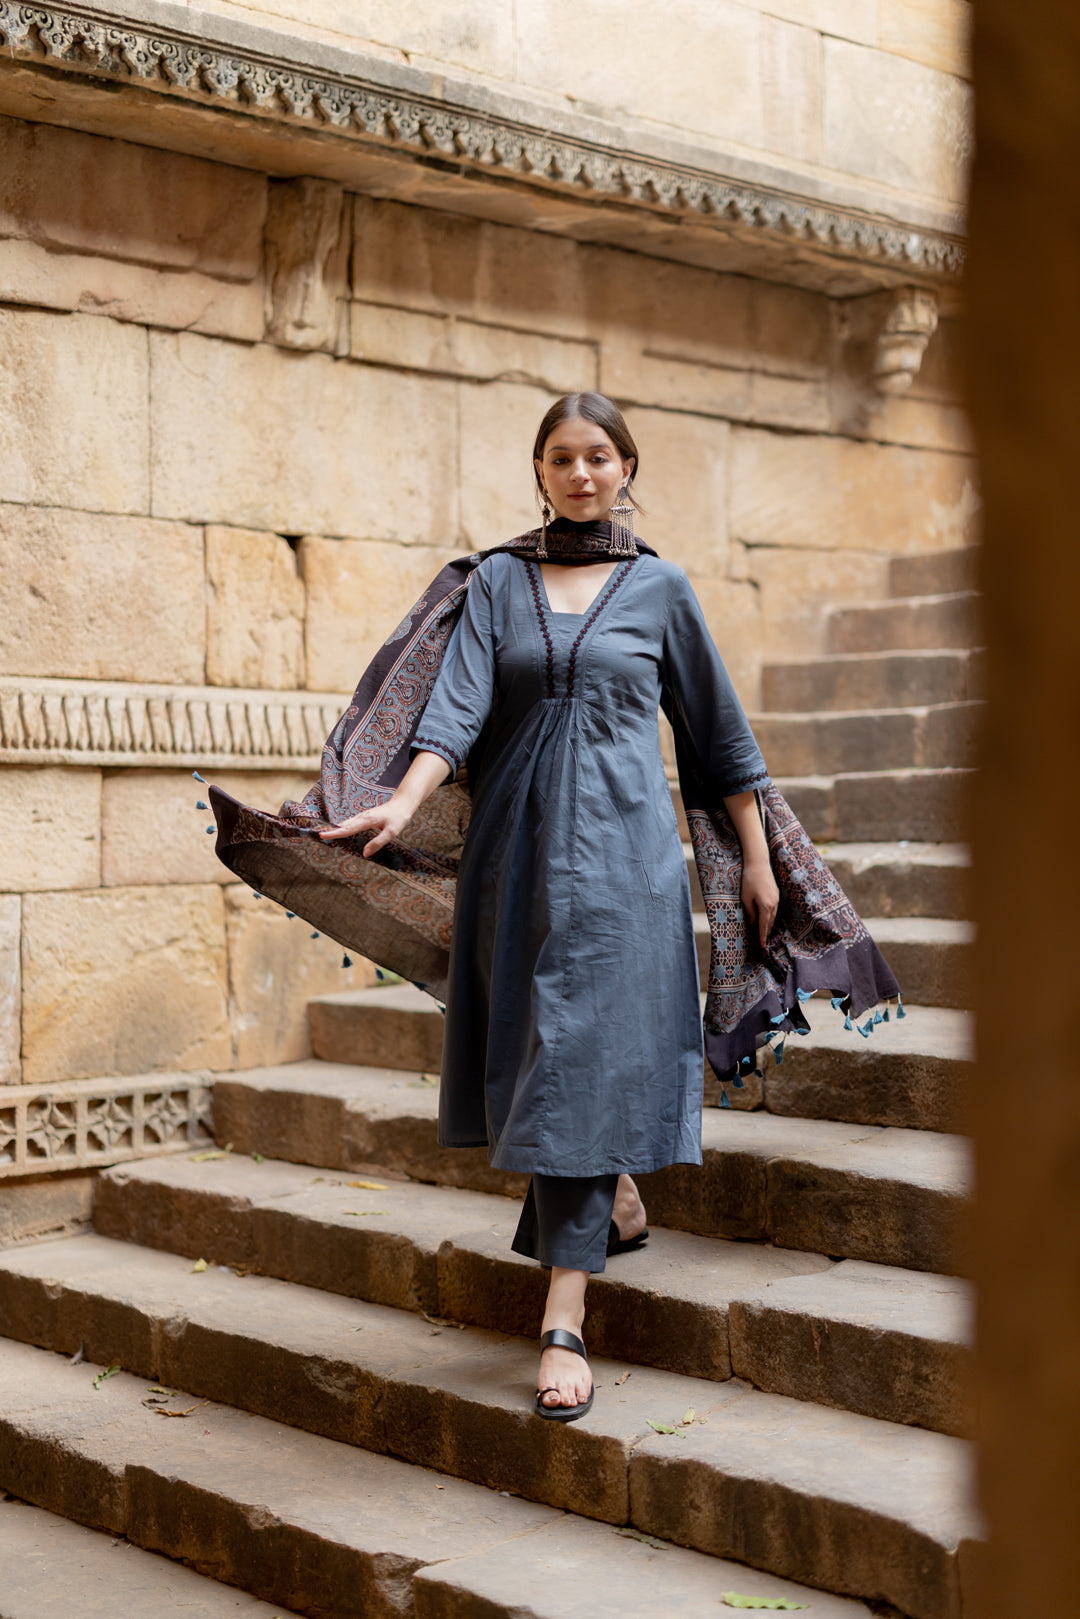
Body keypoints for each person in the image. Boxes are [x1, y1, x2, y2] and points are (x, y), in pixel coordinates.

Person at [316, 392, 780, 1422]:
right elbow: (456, 708)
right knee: (550, 1051)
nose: (581, 472)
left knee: (576, 1052)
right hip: (514, 859)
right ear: (541, 472)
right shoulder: (498, 581)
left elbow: (721, 739)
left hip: (626, 867)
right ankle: (609, 1190)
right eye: (562, 457)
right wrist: (402, 798)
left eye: (599, 455)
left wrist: (756, 861)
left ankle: (563, 1314)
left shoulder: (660, 586)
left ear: (626, 468)